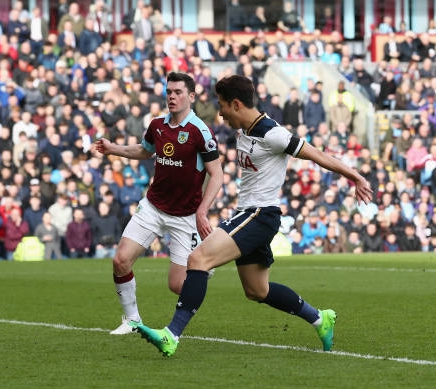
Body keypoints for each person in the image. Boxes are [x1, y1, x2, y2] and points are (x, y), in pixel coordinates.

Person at [132, 75, 373, 357]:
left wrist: (355, 177)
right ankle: (320, 318)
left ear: (236, 104)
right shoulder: (244, 129)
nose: (219, 112)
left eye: (222, 106)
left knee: (197, 259)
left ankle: (171, 335)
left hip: (259, 214)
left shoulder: (273, 133)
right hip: (250, 214)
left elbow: (317, 155)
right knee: (257, 290)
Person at [95, 72, 223, 335]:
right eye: (169, 92)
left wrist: (202, 210)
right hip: (153, 207)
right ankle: (132, 320)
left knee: (177, 285)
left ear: (192, 96)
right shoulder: (157, 125)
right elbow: (144, 150)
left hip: (185, 216)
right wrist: (113, 149)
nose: (172, 97)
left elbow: (217, 174)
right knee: (120, 260)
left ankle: (201, 270)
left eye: (178, 92)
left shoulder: (200, 131)